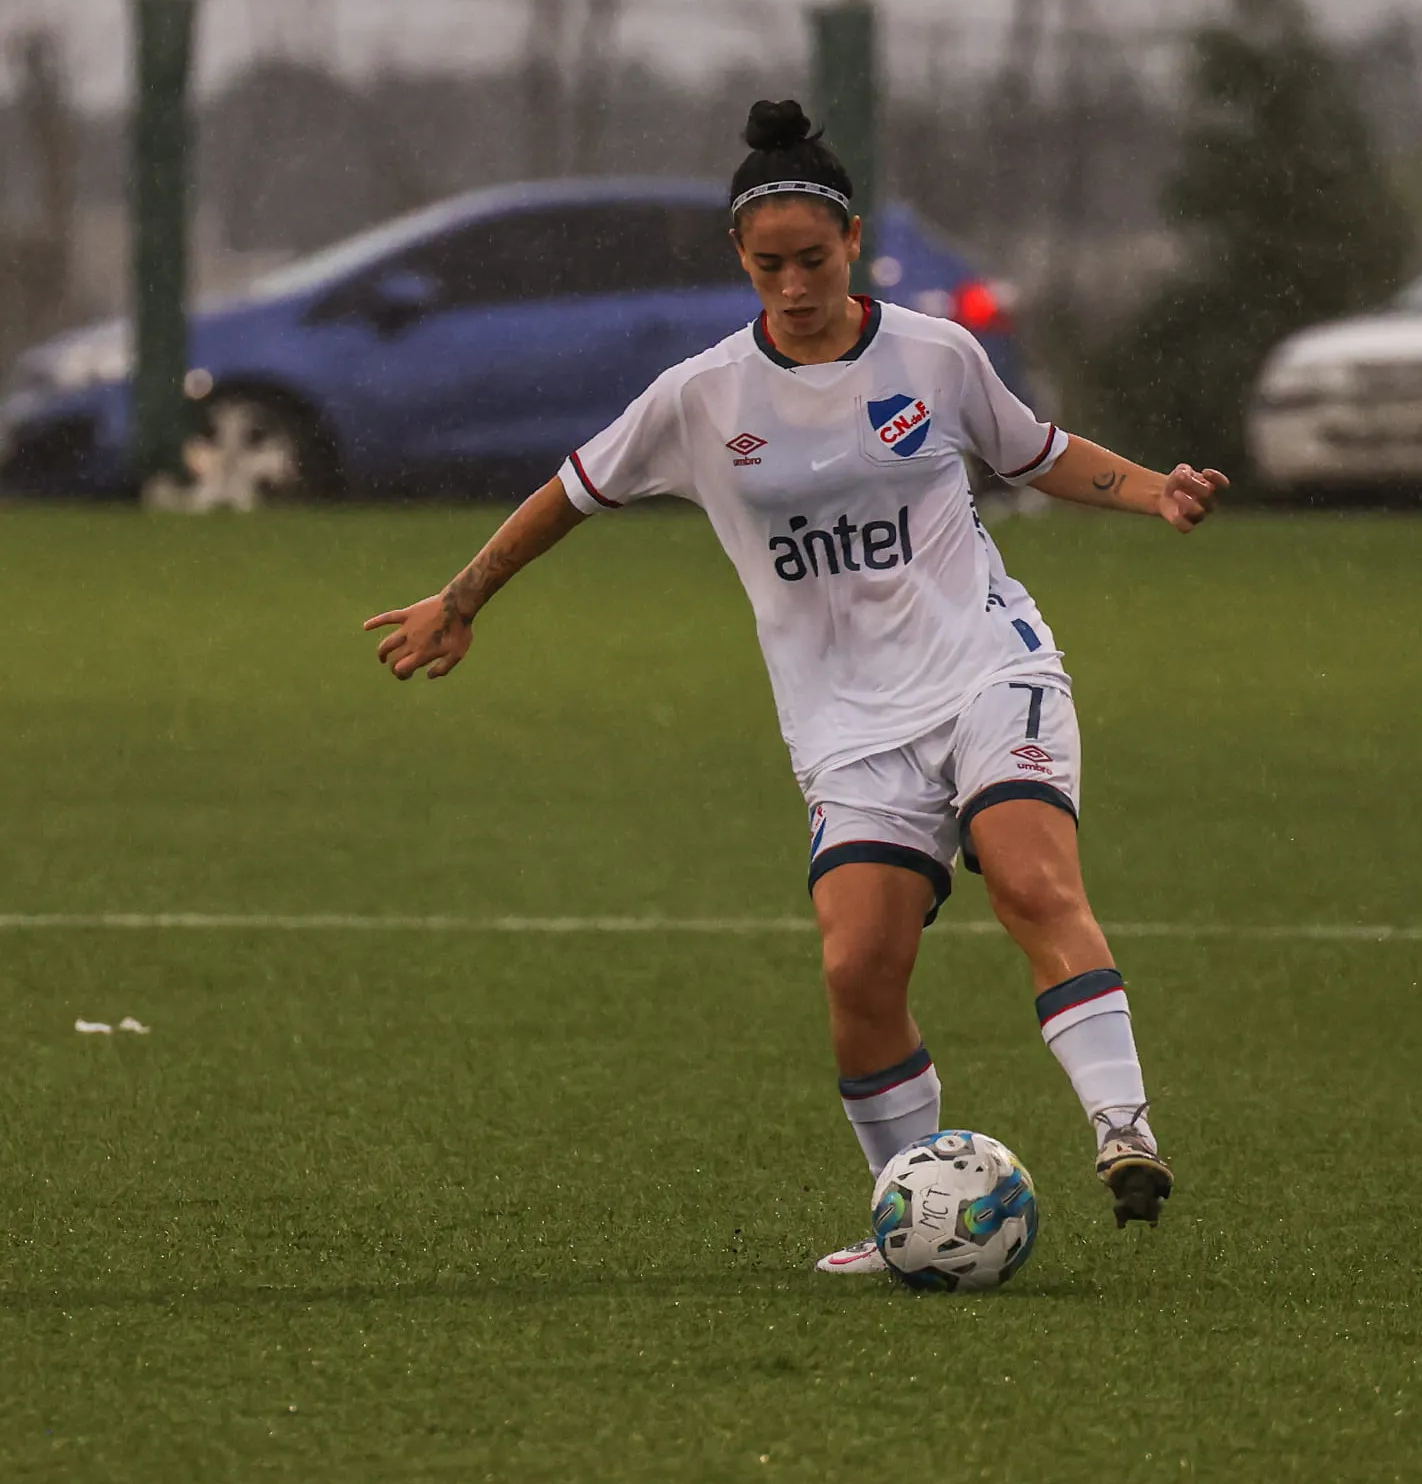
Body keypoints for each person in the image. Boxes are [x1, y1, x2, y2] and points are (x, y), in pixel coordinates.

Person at [364, 100, 1228, 1274]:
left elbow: (1034, 451)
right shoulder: (701, 397)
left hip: (986, 666)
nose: (794, 286)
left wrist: (1154, 489)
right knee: (857, 969)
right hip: (846, 727)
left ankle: (1123, 1130)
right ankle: (909, 1213)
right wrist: (462, 598)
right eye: (768, 265)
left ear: (853, 241)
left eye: (813, 260)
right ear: (740, 257)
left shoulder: (935, 355)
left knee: (1032, 882)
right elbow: (570, 493)